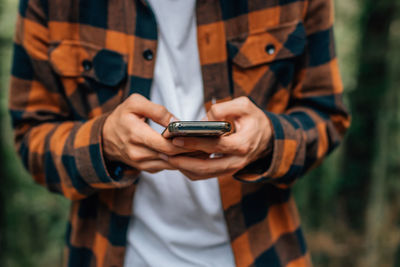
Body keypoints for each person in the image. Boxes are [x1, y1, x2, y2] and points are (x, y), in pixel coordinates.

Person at [9, 0, 350, 266]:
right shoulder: (51, 5)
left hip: (264, 250)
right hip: (109, 253)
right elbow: (31, 135)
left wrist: (269, 139)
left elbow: (326, 114)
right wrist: (102, 144)